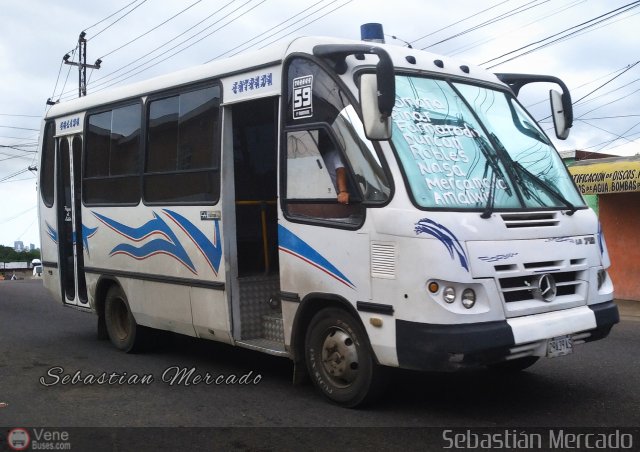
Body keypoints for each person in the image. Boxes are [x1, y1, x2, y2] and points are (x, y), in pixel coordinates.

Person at [318, 131, 350, 205]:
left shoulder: (327, 154)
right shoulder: (337, 154)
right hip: (335, 195)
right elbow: (340, 170)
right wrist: (343, 192)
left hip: (327, 192)